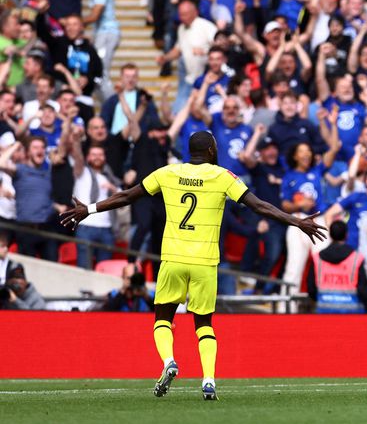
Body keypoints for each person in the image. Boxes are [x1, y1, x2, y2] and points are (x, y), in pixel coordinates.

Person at [59, 130, 325, 401]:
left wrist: (88, 209)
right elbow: (259, 206)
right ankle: (208, 380)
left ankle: (169, 362)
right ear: (211, 150)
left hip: (173, 259)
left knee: (163, 319)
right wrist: (297, 221)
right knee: (204, 324)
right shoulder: (223, 177)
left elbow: (127, 196)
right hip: (205, 263)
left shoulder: (167, 173)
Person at [305, 220, 367, 314]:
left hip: (324, 313)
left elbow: (311, 289)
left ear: (330, 235)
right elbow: (364, 290)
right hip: (352, 314)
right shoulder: (356, 258)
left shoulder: (317, 259)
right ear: (346, 235)